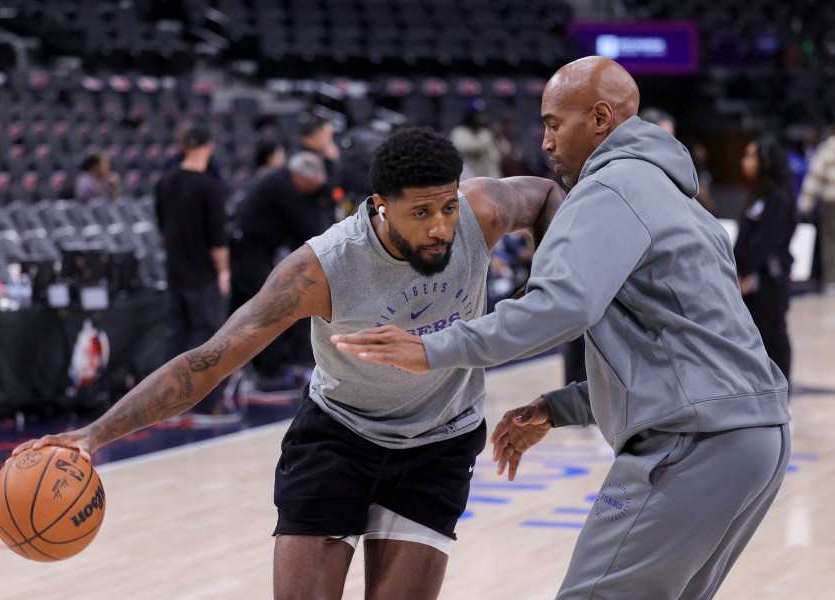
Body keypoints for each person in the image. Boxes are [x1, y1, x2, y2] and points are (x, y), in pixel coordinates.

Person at [12, 127, 565, 600]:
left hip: (440, 442)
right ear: (380, 204)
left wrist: (551, 280)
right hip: (340, 437)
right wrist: (94, 435)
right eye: (420, 212)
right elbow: (206, 363)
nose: (441, 227)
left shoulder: (481, 212)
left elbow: (544, 196)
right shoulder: (320, 269)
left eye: (446, 207)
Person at [334, 57, 791, 599]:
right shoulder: (681, 201)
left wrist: (430, 349)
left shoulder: (610, 189)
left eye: (554, 124)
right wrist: (560, 407)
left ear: (600, 118)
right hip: (758, 438)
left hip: (693, 444)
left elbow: (557, 308)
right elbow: (678, 353)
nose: (545, 142)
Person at [228, 151, 330, 390]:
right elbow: (307, 227)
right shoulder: (279, 186)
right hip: (248, 253)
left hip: (260, 252)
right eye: (309, 186)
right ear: (298, 177)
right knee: (266, 311)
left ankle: (280, 364)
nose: (311, 191)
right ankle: (268, 373)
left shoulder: (285, 181)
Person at [153, 123, 234, 420]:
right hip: (203, 276)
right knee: (209, 344)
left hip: (175, 272)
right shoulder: (209, 187)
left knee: (175, 338)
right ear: (208, 147)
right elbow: (217, 240)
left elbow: (162, 234)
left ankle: (164, 405)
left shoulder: (164, 182)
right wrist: (223, 273)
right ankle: (204, 405)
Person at [735, 136, 797, 384]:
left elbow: (767, 242)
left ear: (766, 161)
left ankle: (781, 393)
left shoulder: (778, 197)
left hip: (769, 279)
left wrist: (746, 271)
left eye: (750, 155)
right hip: (750, 279)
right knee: (753, 337)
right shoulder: (758, 195)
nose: (745, 161)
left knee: (773, 336)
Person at [797, 118, 835, 296]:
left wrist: (804, 205)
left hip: (832, 202)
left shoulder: (825, 150)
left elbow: (814, 178)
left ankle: (833, 282)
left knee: (832, 242)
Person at [450, 98, 510, 180]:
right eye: (477, 114)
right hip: (470, 181)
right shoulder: (460, 132)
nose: (480, 117)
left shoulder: (486, 132)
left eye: (482, 114)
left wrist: (499, 137)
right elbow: (467, 147)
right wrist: (489, 134)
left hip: (492, 180)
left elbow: (505, 152)